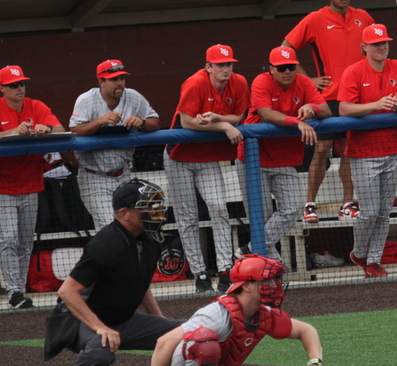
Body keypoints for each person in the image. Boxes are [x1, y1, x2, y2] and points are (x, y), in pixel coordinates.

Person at [46, 179, 184, 366]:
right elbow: (67, 292)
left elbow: (139, 283)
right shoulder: (106, 243)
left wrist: (161, 323)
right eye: (148, 207)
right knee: (101, 349)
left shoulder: (151, 237)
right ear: (125, 213)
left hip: (120, 319)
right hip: (77, 320)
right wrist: (100, 327)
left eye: (157, 206)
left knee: (187, 334)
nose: (156, 212)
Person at [144, 254, 323, 366]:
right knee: (202, 341)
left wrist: (315, 361)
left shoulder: (264, 314)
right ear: (246, 285)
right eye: (266, 280)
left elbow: (306, 330)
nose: (273, 285)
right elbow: (164, 342)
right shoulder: (216, 314)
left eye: (273, 280)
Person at [165, 44, 248, 293]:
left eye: (229, 64)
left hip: (208, 157)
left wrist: (218, 119)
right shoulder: (195, 83)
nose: (226, 69)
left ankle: (225, 271)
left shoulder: (239, 82)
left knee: (219, 209)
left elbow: (240, 116)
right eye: (220, 65)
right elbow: (186, 121)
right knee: (188, 217)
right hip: (179, 155)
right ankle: (200, 274)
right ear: (208, 67)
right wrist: (224, 126)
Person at [282, 0, 375, 223]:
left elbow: (375, 49)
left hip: (355, 97)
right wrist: (306, 80)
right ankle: (309, 205)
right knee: (322, 149)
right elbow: (285, 48)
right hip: (329, 97)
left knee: (348, 151)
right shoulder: (315, 18)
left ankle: (347, 205)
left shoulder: (364, 16)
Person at [235, 47, 331, 262]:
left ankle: (251, 248)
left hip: (284, 157)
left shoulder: (304, 83)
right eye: (281, 68)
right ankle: (272, 267)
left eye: (291, 67)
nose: (287, 71)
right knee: (261, 216)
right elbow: (266, 114)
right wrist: (297, 122)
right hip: (253, 157)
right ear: (272, 69)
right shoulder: (261, 81)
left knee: (295, 207)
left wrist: (311, 107)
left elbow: (327, 111)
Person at [339, 24, 397, 278]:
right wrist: (376, 104)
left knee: (384, 212)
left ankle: (373, 260)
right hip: (363, 151)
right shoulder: (354, 71)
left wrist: (396, 105)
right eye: (376, 44)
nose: (381, 47)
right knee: (369, 211)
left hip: (392, 147)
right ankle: (359, 252)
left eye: (384, 43)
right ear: (364, 47)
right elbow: (345, 109)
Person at [0, 65, 65, 309]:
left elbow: (60, 130)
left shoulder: (36, 106)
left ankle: (20, 289)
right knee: (8, 239)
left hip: (31, 182)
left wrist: (45, 129)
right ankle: (14, 292)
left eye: (22, 84)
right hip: (3, 185)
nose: (19, 88)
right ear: (2, 88)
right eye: (14, 85)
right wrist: (11, 132)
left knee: (25, 241)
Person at [70, 59, 160, 229]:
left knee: (129, 227)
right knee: (111, 227)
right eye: (114, 79)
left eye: (122, 78)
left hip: (123, 174)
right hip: (94, 175)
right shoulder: (86, 100)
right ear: (101, 82)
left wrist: (141, 122)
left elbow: (155, 122)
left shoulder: (133, 96)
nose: (120, 83)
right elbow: (75, 131)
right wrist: (99, 122)